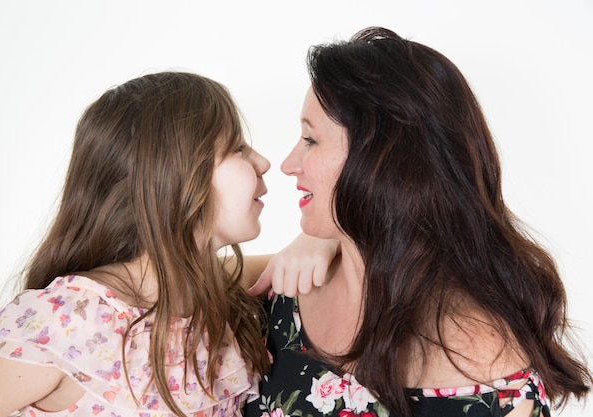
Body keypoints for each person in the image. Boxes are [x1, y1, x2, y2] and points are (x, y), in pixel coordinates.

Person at [245, 27, 592, 417]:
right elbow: (171, 277)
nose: (288, 164)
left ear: (381, 164)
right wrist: (324, 239)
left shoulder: (487, 378)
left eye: (311, 140)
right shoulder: (285, 291)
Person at [0, 71, 276, 417]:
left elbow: (280, 265)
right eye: (237, 147)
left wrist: (319, 242)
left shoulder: (205, 292)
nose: (263, 162)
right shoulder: (74, 317)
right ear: (172, 174)